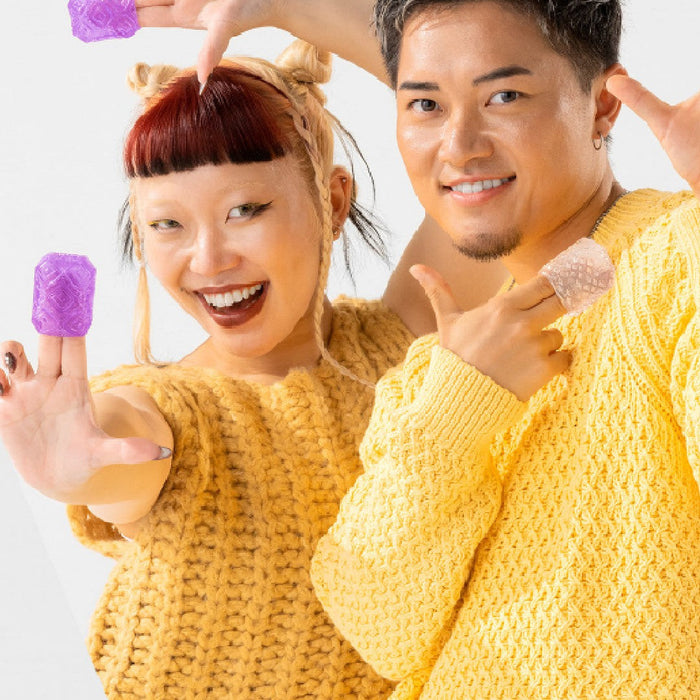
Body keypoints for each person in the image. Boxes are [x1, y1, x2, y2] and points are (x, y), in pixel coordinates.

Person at [0, 37, 552, 698]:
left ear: (335, 200)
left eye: (244, 211)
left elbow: (491, 115)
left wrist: (299, 16)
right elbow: (124, 445)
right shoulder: (172, 410)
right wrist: (81, 462)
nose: (207, 259)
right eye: (167, 225)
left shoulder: (407, 336)